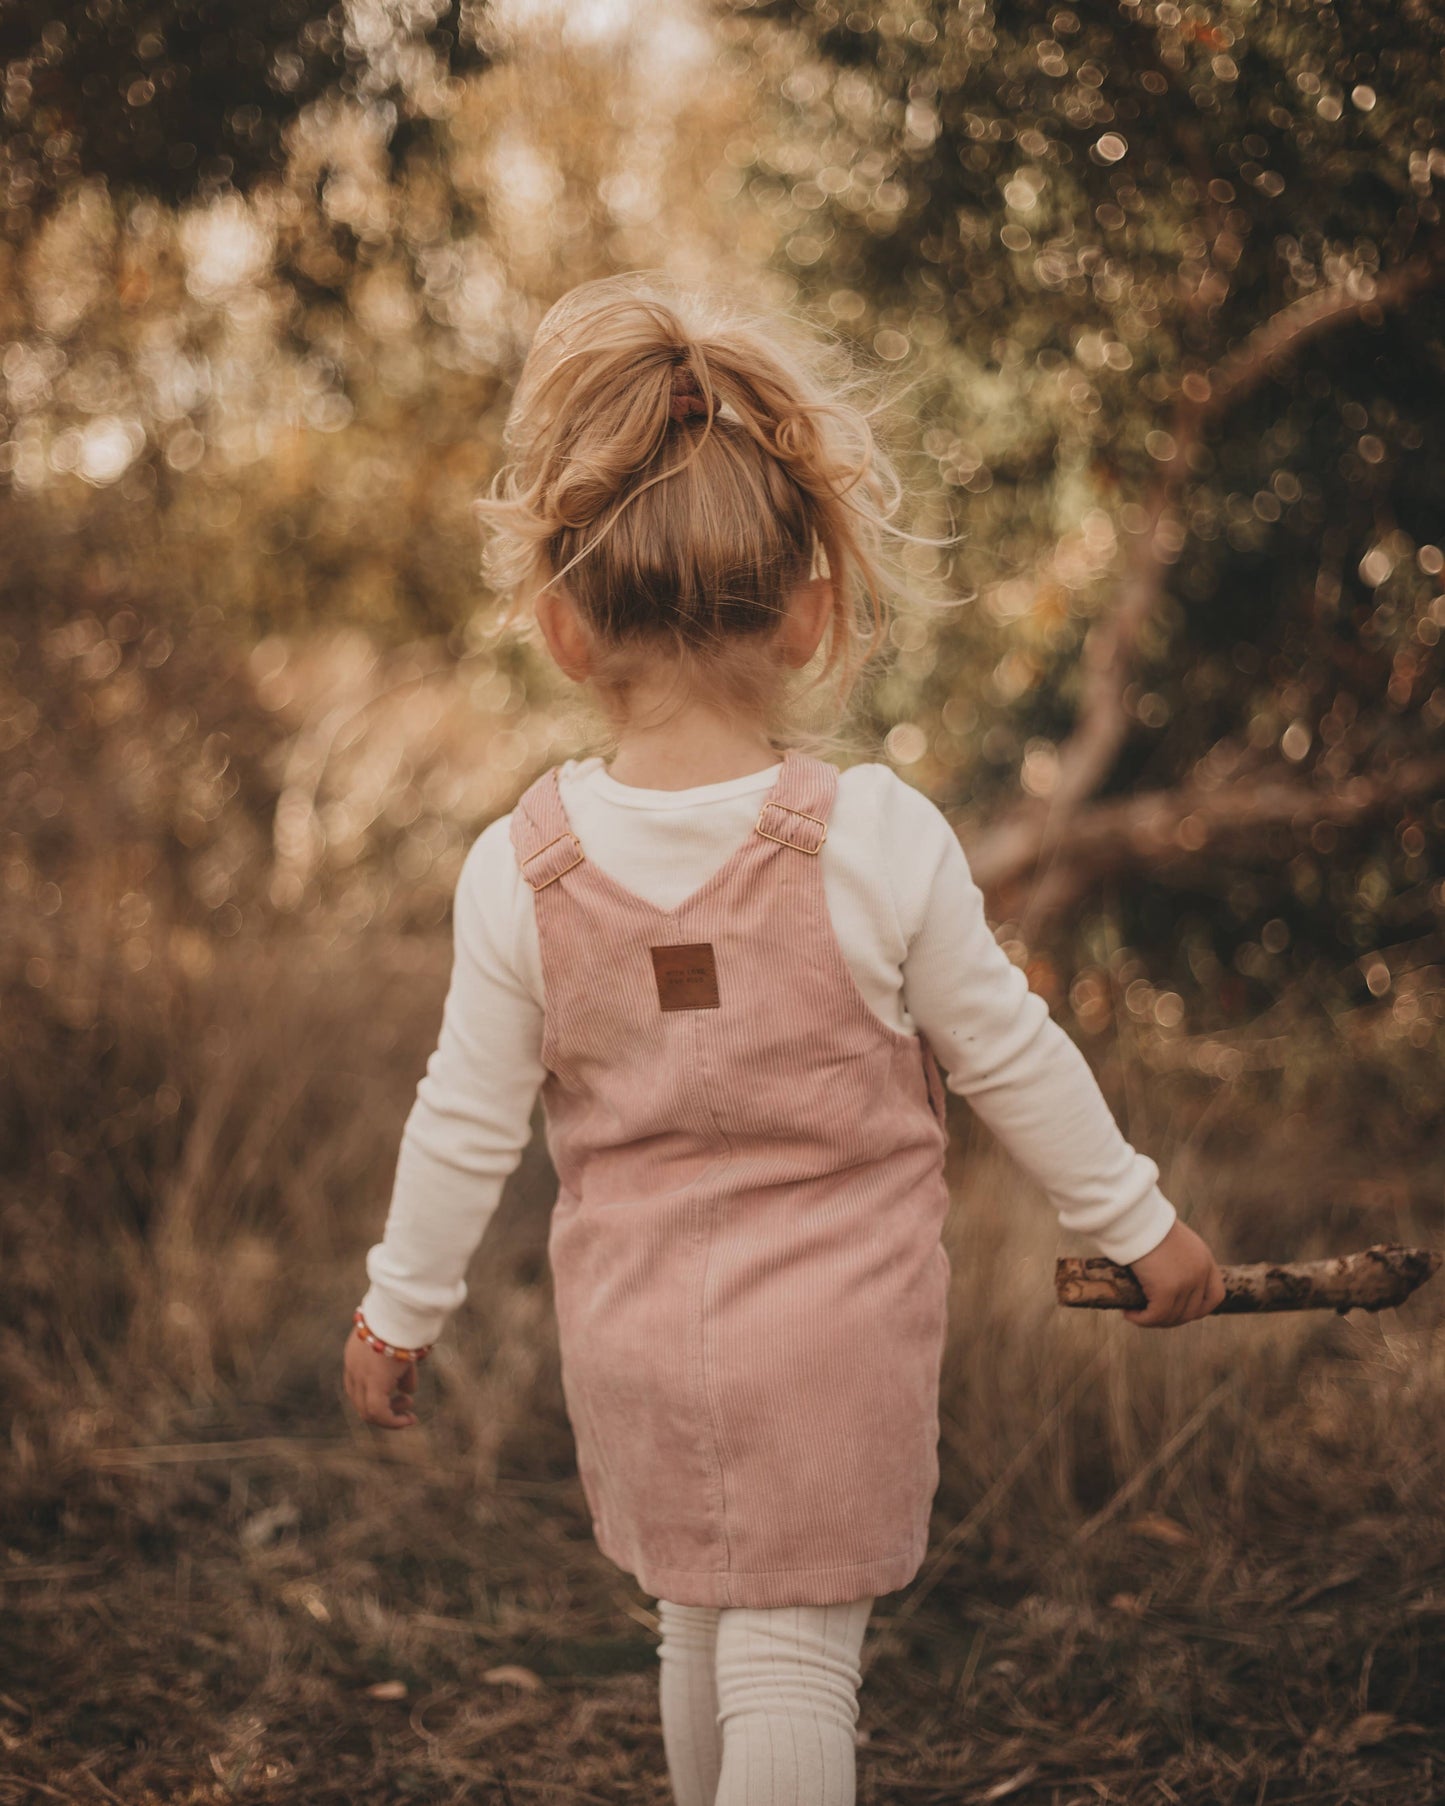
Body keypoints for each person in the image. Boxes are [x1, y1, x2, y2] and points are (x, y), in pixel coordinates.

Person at [342, 273, 1226, 1806]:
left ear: (561, 626)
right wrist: (1136, 1222)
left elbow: (462, 1120)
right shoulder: (872, 840)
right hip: (833, 1352)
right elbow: (1008, 1053)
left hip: (630, 1347)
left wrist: (395, 1309)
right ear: (812, 609)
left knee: (693, 1619)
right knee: (793, 1660)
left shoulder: (523, 865)